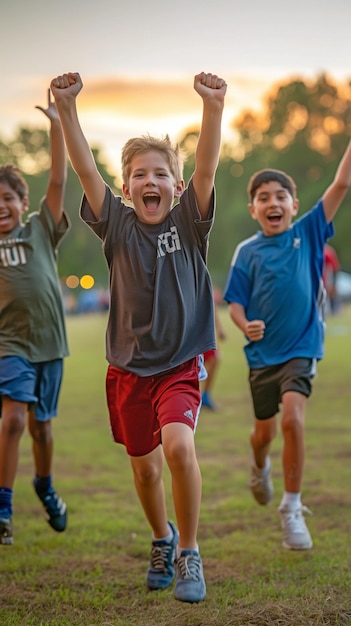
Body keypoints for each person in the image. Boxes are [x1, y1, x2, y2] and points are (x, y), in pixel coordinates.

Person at [51, 70, 226, 603]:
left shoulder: (190, 221)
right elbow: (84, 167)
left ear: (176, 186)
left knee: (177, 446)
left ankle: (190, 552)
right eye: (139, 175)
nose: (151, 182)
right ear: (126, 188)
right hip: (128, 367)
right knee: (145, 469)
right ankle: (161, 537)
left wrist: (213, 108)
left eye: (161, 175)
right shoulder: (117, 225)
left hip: (178, 363)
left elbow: (207, 163)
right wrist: (67, 108)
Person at [223, 140, 351, 551]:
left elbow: (342, 182)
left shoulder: (310, 232)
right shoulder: (247, 252)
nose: (272, 203)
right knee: (263, 434)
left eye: (281, 196)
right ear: (253, 210)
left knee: (293, 420)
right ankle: (258, 465)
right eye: (263, 198)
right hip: (262, 356)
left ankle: (291, 508)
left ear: (295, 205)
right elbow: (235, 304)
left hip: (302, 347)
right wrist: (245, 324)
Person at [0, 90, 69, 545]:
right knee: (14, 420)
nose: (0, 207)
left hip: (51, 345)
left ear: (22, 201)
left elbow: (60, 181)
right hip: (10, 344)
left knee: (42, 427)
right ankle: (3, 509)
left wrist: (57, 125)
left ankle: (43, 485)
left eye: (6, 198)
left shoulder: (41, 229)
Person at [201, 287, 226, 410]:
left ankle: (205, 396)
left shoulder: (203, 277)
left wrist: (220, 328)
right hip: (193, 334)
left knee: (215, 359)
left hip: (204, 334)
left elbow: (212, 308)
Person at [323, 243, 340, 315]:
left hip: (326, 279)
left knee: (331, 294)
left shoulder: (327, 251)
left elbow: (335, 268)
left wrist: (333, 283)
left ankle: (334, 311)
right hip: (318, 280)